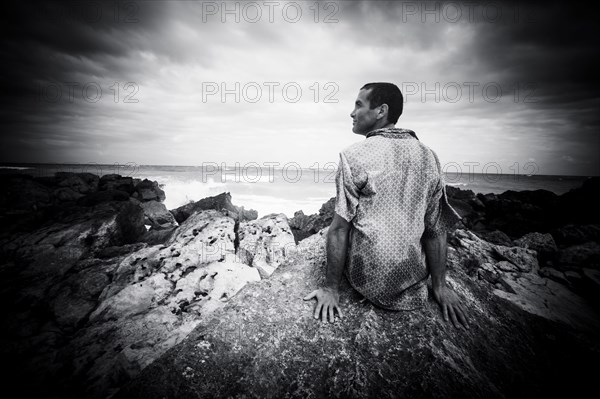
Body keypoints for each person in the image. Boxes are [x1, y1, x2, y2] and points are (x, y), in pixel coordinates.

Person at [304, 82, 468, 329]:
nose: (352, 113)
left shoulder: (353, 155)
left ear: (381, 111)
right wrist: (440, 285)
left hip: (365, 280)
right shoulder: (429, 156)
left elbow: (339, 229)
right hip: (412, 285)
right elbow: (435, 229)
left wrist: (330, 288)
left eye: (358, 105)